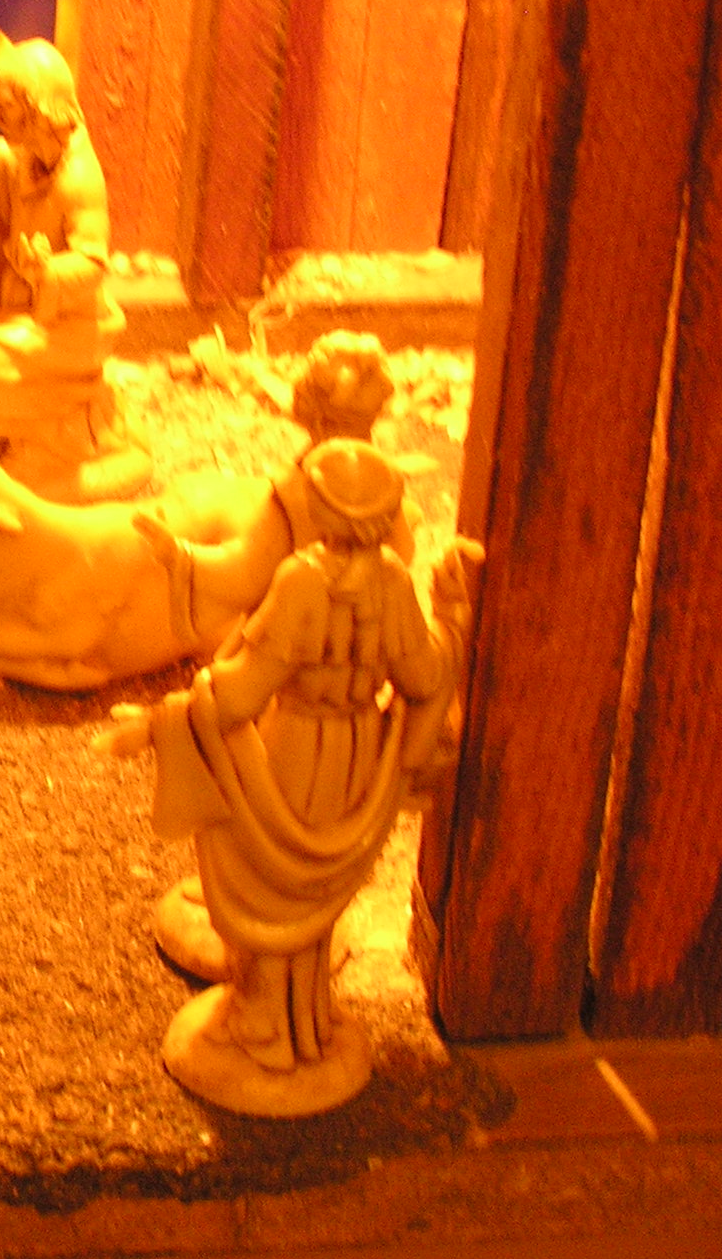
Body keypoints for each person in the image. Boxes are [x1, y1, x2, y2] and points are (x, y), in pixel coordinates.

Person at [104, 442, 471, 1117]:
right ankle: (307, 1023)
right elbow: (423, 677)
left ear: (321, 511)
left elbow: (244, 692)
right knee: (316, 891)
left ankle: (264, 1028)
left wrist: (166, 720)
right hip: (358, 753)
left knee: (268, 882)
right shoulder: (394, 583)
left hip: (295, 746)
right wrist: (450, 620)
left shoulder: (302, 582)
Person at [0, 16, 148, 503]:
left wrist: (47, 271)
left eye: (6, 106)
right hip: (31, 312)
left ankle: (51, 446)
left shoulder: (77, 179)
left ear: (36, 108)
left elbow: (93, 263)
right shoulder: (37, 154)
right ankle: (17, 440)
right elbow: (8, 165)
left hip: (71, 322)